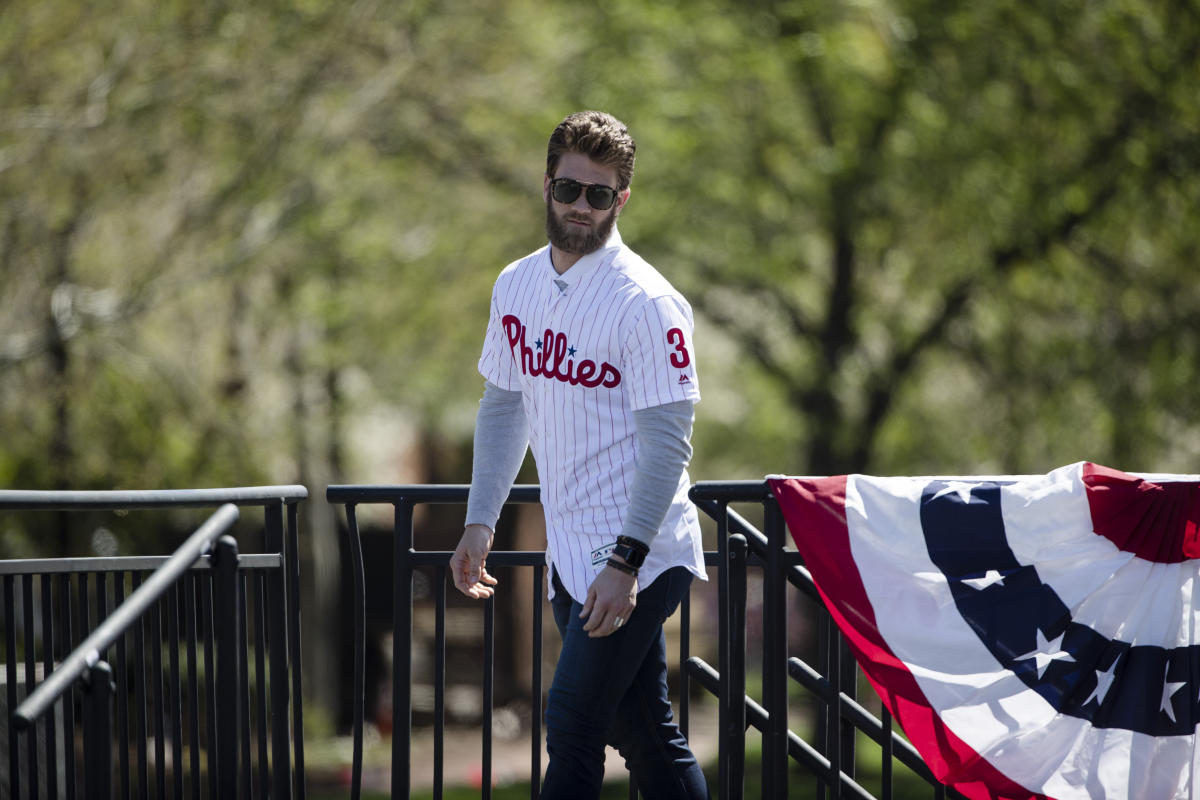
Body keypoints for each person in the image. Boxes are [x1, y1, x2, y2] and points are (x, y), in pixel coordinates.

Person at [449, 110, 710, 798]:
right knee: (645, 730)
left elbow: (666, 445)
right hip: (569, 551)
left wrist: (625, 563)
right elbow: (504, 406)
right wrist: (481, 521)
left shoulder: (649, 304)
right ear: (546, 185)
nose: (581, 208)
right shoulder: (517, 284)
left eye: (600, 195)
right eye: (569, 189)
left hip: (640, 552)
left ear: (621, 200)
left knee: (570, 723)